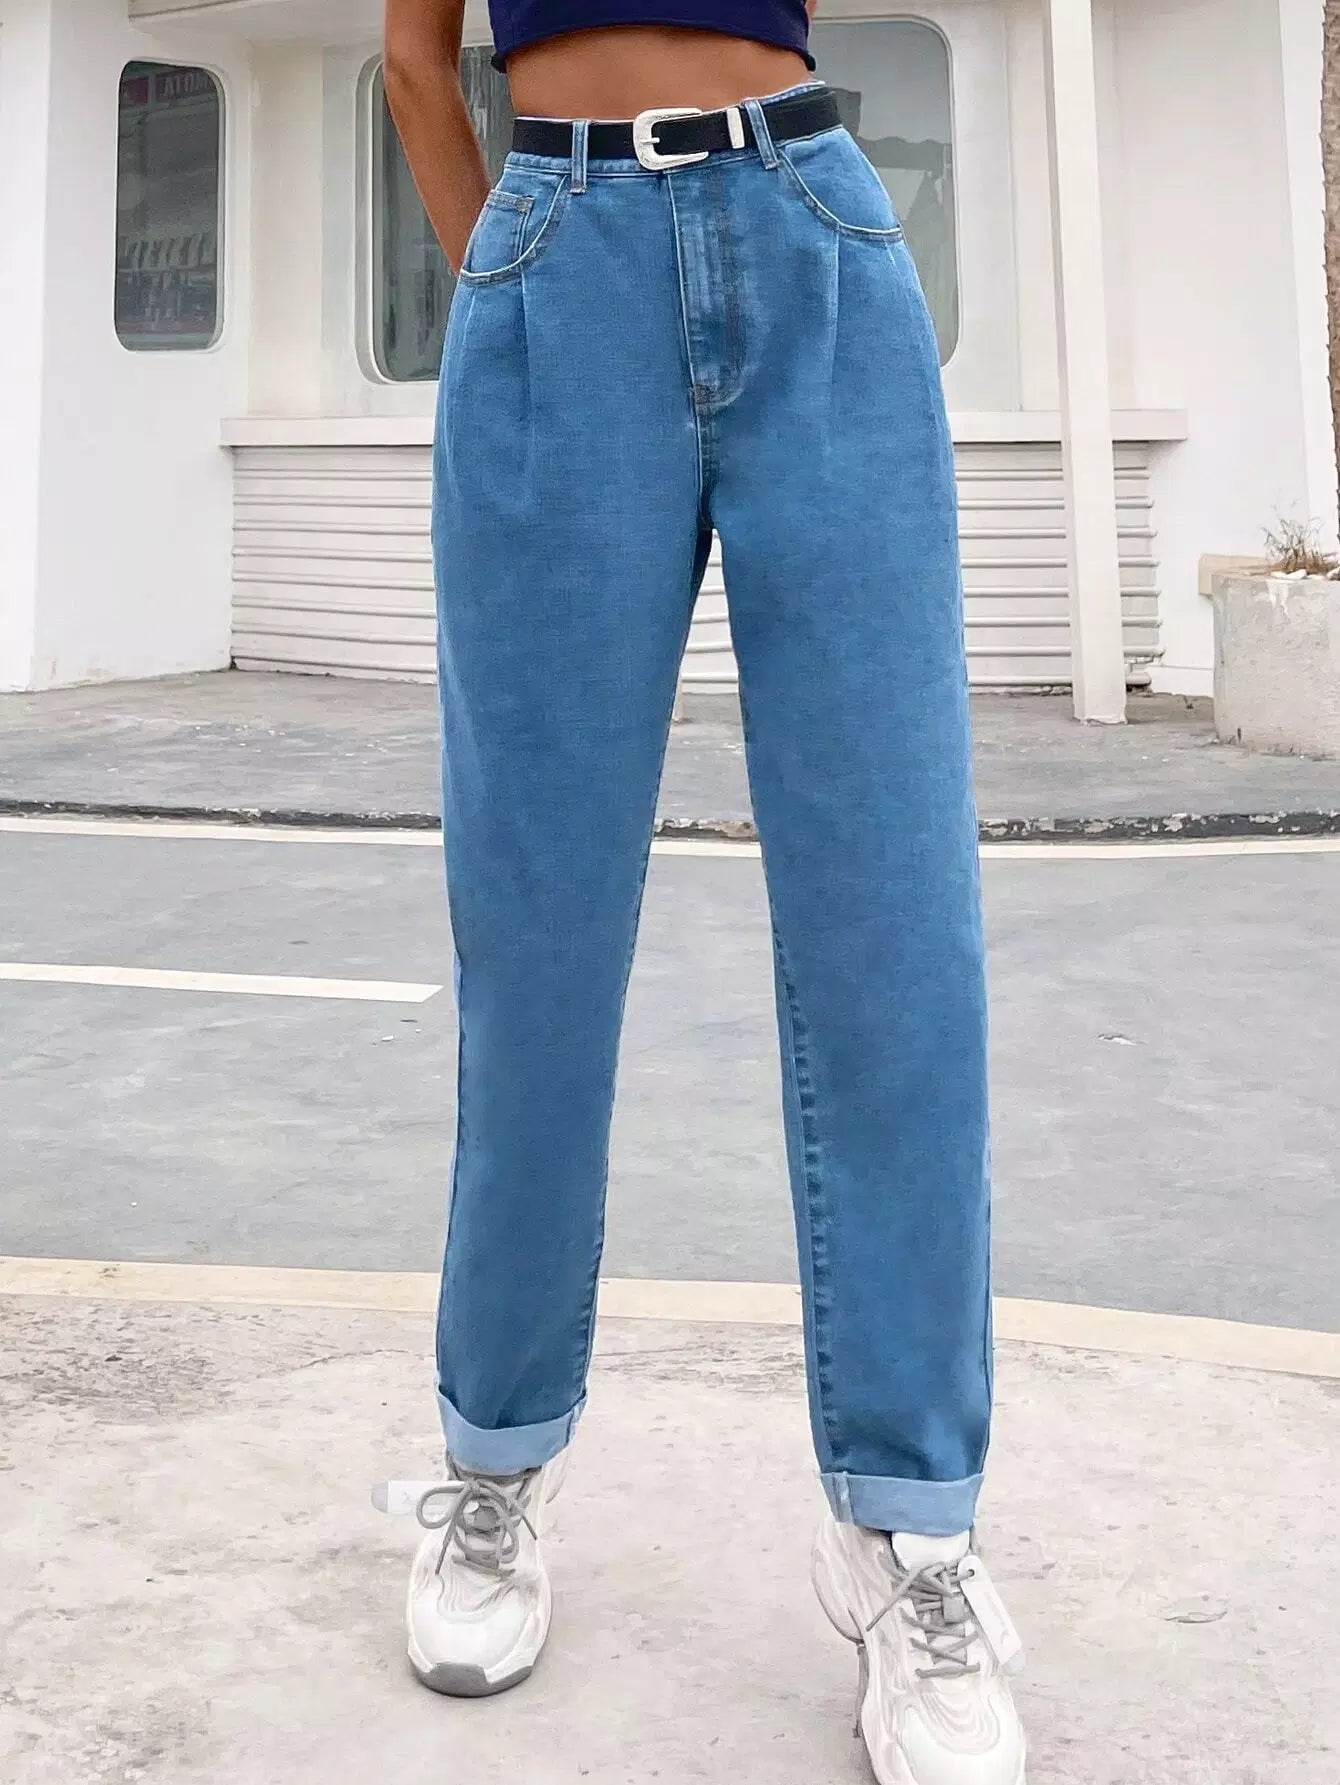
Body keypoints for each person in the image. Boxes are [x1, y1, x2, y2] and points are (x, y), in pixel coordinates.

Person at [380, 0, 1028, 1777]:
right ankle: (493, 1463)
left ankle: (912, 1532)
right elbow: (418, 60)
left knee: (898, 935)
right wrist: (507, 283)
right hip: (555, 261)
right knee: (537, 929)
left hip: (807, 232)